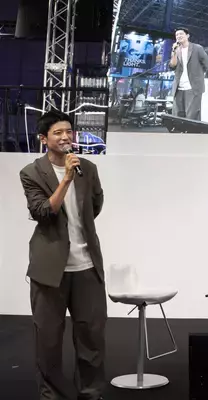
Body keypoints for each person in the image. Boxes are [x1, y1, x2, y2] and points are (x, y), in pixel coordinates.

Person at [19, 111, 106, 400]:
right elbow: (43, 213)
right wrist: (66, 179)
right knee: (48, 339)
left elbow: (95, 204)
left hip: (87, 265)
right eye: (58, 132)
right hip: (49, 269)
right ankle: (52, 395)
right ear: (44, 139)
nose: (66, 137)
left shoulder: (88, 168)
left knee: (91, 337)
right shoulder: (32, 172)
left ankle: (90, 393)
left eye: (69, 131)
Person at [168, 27, 208, 120]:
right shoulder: (176, 50)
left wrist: (197, 76)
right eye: (177, 35)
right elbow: (172, 66)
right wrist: (174, 52)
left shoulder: (197, 48)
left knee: (192, 116)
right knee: (178, 116)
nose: (178, 36)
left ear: (187, 36)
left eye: (181, 34)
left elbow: (206, 64)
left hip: (193, 88)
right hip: (178, 88)